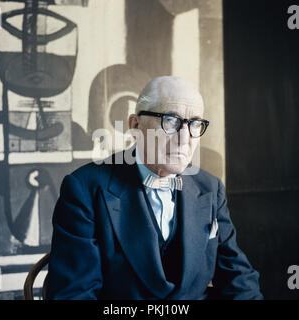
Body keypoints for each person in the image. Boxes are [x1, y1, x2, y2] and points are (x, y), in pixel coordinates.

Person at [45, 76, 263, 300]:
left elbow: (239, 280)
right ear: (135, 126)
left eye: (195, 124)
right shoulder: (84, 188)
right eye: (171, 121)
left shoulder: (210, 187)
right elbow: (74, 295)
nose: (184, 138)